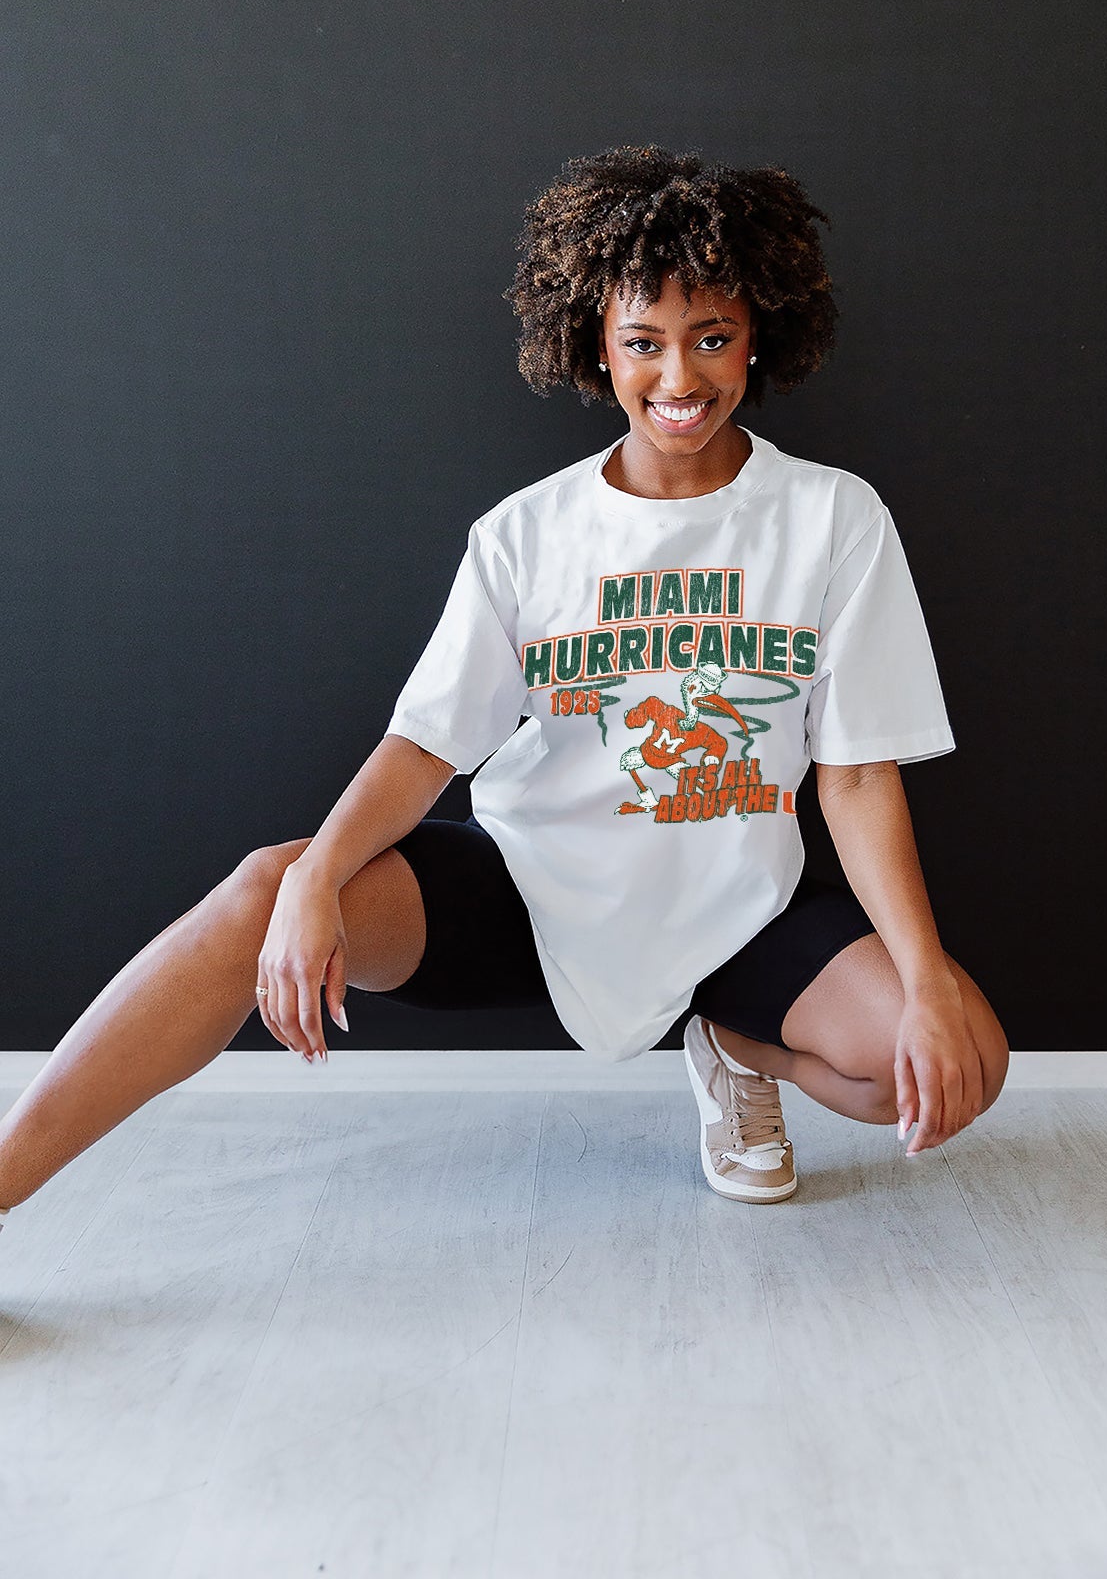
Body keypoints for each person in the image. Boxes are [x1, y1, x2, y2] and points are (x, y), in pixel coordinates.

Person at [0, 144, 1008, 1227]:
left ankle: (732, 1044)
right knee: (263, 889)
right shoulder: (527, 534)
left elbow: (855, 775)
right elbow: (427, 743)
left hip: (739, 902)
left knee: (958, 1063)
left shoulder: (833, 517)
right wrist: (312, 879)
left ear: (757, 332)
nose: (679, 378)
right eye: (643, 342)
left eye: (711, 337)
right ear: (596, 346)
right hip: (534, 890)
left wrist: (925, 979)